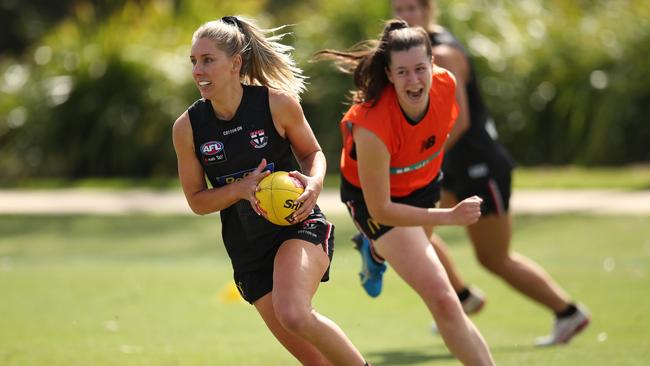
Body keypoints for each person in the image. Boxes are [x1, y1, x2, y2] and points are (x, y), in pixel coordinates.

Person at [350, 0, 591, 347]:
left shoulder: (442, 54)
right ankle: (460, 297)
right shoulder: (407, 55)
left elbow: (459, 121)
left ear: (429, 9)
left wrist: (412, 159)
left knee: (493, 257)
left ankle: (568, 312)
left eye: (413, 8)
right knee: (416, 228)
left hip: (479, 166)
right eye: (399, 6)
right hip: (448, 167)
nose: (406, 14)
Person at [172, 16, 371, 366]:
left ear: (235, 64)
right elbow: (197, 201)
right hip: (247, 248)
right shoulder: (188, 127)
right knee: (315, 361)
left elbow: (313, 153)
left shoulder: (276, 104)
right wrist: (242, 188)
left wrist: (314, 183)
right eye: (194, 61)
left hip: (298, 226)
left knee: (294, 313)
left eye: (207, 60)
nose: (198, 70)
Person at [315, 19, 495, 365]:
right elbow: (381, 209)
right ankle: (376, 243)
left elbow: (442, 131)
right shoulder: (371, 125)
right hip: (374, 202)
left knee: (419, 258)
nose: (413, 80)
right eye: (402, 72)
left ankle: (376, 252)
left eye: (419, 69)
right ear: (389, 74)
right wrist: (449, 215)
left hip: (424, 186)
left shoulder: (446, 84)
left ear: (432, 64)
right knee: (444, 300)